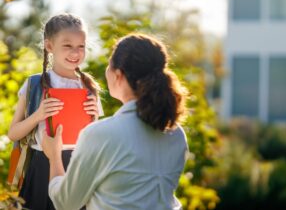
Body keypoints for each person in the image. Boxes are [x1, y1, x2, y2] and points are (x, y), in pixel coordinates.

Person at [42, 33, 189, 210]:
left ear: (118, 74)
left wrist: (54, 157)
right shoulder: (175, 133)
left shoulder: (101, 134)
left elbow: (66, 203)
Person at [8, 13, 104, 210]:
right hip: (41, 166)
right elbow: (13, 133)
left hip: (80, 166)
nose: (75, 52)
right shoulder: (34, 84)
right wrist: (38, 115)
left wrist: (95, 119)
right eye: (67, 45)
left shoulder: (89, 87)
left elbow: (97, 138)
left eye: (81, 46)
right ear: (49, 46)